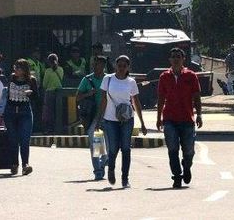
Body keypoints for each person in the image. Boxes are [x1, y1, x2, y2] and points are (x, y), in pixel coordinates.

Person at [97, 55, 147, 188]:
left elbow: (136, 102)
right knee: (113, 148)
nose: (121, 68)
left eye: (124, 66)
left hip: (127, 120)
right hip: (110, 119)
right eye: (119, 66)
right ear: (115, 66)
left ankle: (125, 178)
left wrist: (142, 123)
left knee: (126, 148)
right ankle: (111, 169)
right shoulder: (108, 79)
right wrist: (99, 119)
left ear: (128, 68)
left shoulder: (131, 82)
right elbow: (103, 100)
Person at [157, 48, 203, 189]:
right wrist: (159, 118)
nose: (176, 59)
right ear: (170, 60)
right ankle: (177, 176)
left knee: (189, 151)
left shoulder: (191, 75)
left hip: (187, 119)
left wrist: (199, 114)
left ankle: (187, 166)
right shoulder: (164, 77)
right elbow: (160, 98)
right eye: (173, 57)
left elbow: (197, 97)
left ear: (183, 59)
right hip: (170, 119)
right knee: (172, 149)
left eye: (178, 56)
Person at [77, 55, 107, 180]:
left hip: (109, 115)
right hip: (94, 116)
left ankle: (103, 163)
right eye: (94, 64)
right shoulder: (87, 80)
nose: (95, 67)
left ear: (103, 66)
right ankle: (98, 171)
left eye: (98, 64)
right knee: (96, 146)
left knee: (110, 149)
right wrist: (89, 93)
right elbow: (78, 97)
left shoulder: (109, 79)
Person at [5, 59, 37, 176]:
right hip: (11, 111)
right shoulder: (11, 78)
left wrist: (31, 93)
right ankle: (14, 164)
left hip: (25, 112)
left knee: (24, 139)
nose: (16, 70)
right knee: (13, 139)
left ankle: (25, 164)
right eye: (15, 67)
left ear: (24, 70)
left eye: (19, 68)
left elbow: (36, 97)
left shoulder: (31, 80)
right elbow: (7, 95)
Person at [42, 53, 64, 134]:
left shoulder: (47, 71)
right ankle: (58, 128)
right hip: (59, 93)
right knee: (58, 111)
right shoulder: (61, 69)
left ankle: (49, 129)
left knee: (49, 112)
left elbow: (44, 84)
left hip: (49, 93)